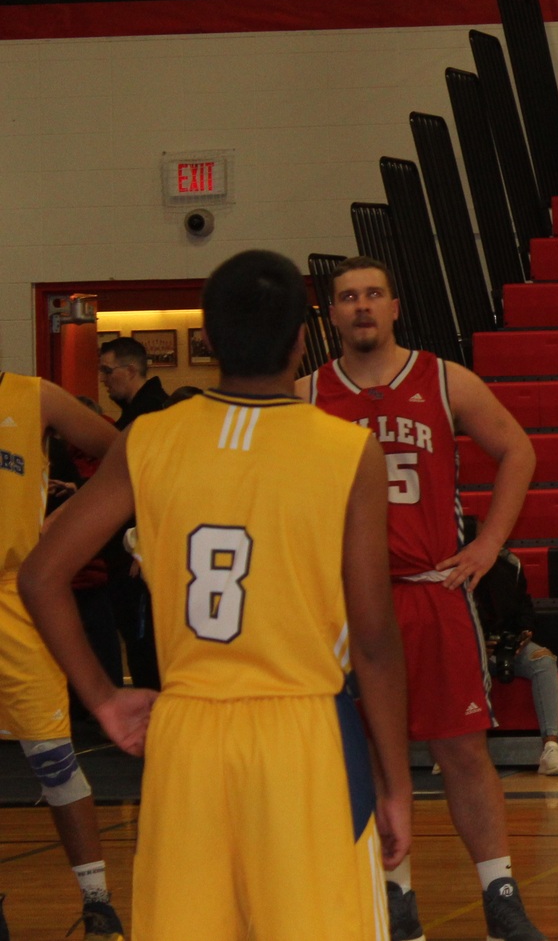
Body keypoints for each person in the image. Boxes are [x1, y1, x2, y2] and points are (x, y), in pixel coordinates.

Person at [18, 250, 412, 941]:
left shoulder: (148, 438)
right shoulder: (349, 451)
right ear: (303, 339)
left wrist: (105, 698)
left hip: (188, 736)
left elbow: (40, 575)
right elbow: (374, 640)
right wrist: (397, 783)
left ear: (209, 336)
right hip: (302, 734)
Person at [303, 256, 546, 941]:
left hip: (431, 590)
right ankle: (396, 895)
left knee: (462, 751)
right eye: (348, 296)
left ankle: (500, 893)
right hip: (350, 604)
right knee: (369, 755)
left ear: (395, 305)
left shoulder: (444, 378)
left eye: (373, 293)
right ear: (332, 313)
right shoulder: (307, 394)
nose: (361, 305)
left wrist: (488, 543)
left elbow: (518, 451)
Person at [0, 371, 122, 939]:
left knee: (53, 758)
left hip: (14, 597)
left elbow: (128, 452)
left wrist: (69, 523)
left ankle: (98, 902)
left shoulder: (32, 396)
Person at [86, 338, 166, 692]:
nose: (103, 379)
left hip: (139, 557)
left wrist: (145, 543)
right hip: (128, 552)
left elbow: (160, 487)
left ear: (130, 371)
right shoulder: (136, 416)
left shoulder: (151, 416)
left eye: (107, 371)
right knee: (139, 647)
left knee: (146, 649)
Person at [465, 516, 558, 776]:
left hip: (508, 642)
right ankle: (458, 746)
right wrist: (478, 642)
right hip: (470, 645)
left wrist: (523, 634)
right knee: (459, 662)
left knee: (544, 660)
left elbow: (524, 605)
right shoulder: (455, 568)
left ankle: (551, 748)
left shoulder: (509, 564)